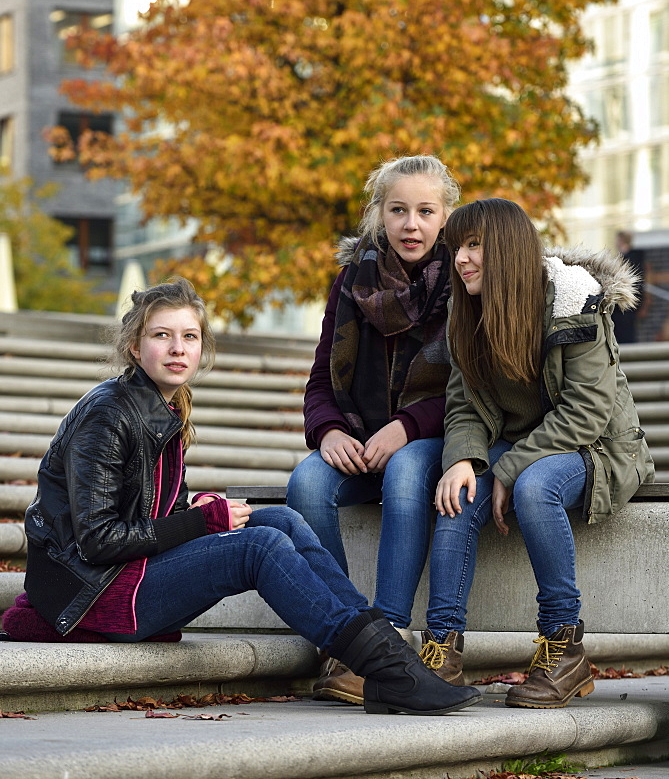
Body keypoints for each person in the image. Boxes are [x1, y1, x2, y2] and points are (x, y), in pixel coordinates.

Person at [0, 277, 480, 717]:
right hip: (97, 592)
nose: (177, 348)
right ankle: (389, 671)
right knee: (259, 547)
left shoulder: (163, 407)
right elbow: (98, 540)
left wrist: (192, 510)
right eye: (161, 336)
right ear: (134, 345)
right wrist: (203, 521)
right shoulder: (109, 415)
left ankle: (388, 660)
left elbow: (151, 515)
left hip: (130, 575)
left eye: (189, 337)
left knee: (283, 523)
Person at [422, 199, 654, 709]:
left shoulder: (575, 300)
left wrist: (508, 466)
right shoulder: (467, 313)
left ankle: (564, 646)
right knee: (457, 495)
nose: (460, 259)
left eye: (474, 245)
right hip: (525, 445)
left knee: (535, 484)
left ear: (507, 249)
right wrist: (464, 459)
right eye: (456, 247)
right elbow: (462, 406)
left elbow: (587, 412)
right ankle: (442, 652)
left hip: (596, 448)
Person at [287, 155, 459, 704]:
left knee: (407, 473)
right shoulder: (353, 279)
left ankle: (387, 636)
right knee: (307, 483)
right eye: (398, 210)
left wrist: (407, 428)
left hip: (427, 440)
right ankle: (348, 635)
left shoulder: (463, 282)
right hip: (358, 439)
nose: (412, 224)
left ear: (446, 217)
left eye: (425, 211)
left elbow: (468, 388)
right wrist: (329, 431)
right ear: (378, 215)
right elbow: (320, 380)